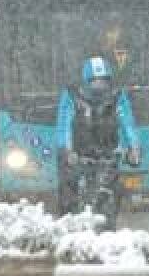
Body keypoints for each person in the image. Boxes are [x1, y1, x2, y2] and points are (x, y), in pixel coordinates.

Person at [55, 56, 141, 213]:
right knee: (70, 200)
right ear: (86, 81)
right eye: (94, 80)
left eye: (103, 80)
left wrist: (133, 147)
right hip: (78, 156)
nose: (99, 85)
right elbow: (64, 125)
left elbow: (127, 123)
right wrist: (68, 151)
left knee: (110, 196)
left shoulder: (117, 96)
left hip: (108, 154)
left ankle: (108, 226)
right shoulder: (71, 96)